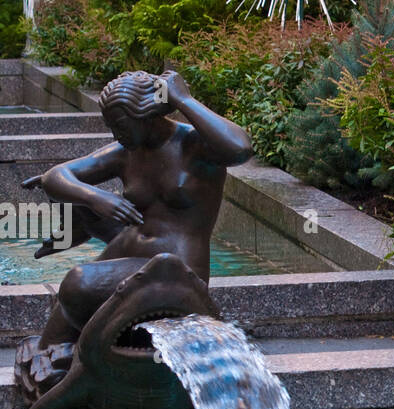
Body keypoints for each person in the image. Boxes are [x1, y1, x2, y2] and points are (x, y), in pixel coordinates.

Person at [32, 69, 251, 348]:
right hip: (123, 254)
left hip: (173, 270)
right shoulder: (127, 152)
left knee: (78, 283)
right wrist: (95, 198)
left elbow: (241, 148)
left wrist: (184, 99)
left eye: (121, 125)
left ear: (145, 115)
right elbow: (55, 177)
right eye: (112, 126)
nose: (116, 134)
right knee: (49, 346)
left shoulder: (196, 146)